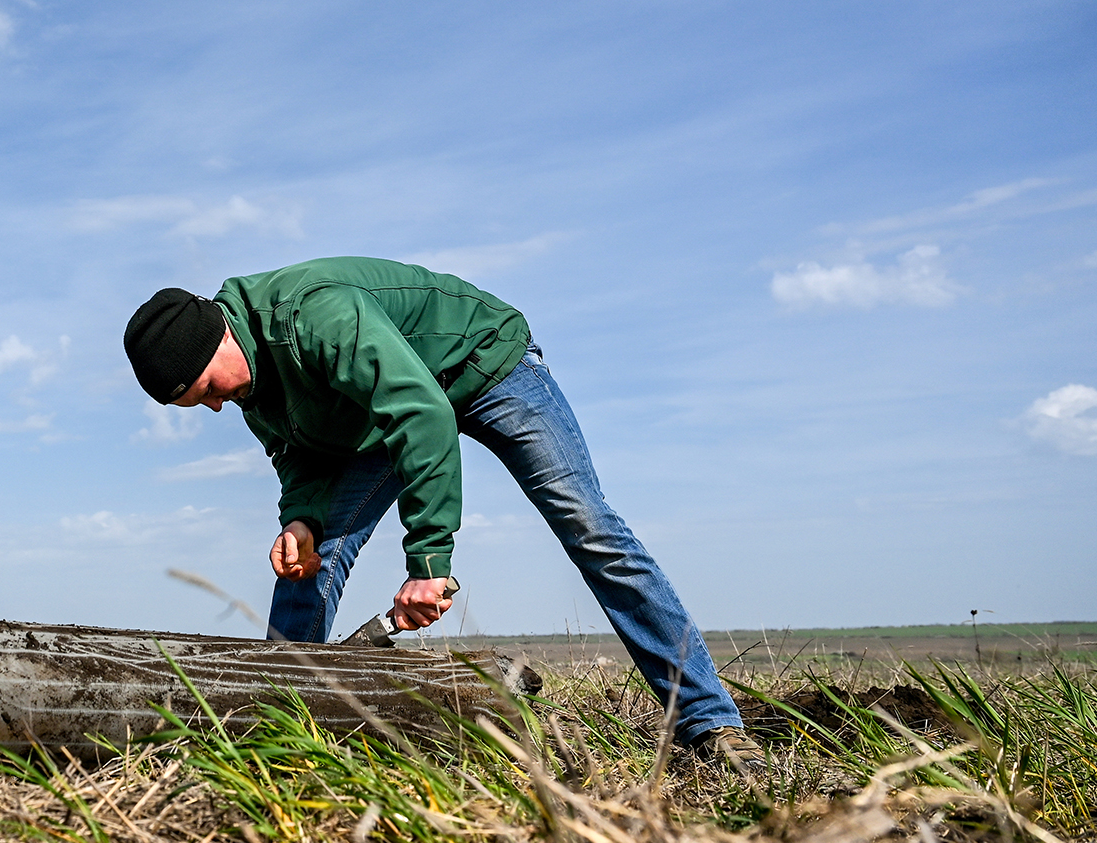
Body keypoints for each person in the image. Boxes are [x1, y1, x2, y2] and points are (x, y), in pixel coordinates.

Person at [123, 256, 763, 772]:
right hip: (385, 408)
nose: (214, 406)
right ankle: (275, 731)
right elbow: (297, 453)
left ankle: (710, 723)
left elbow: (421, 412)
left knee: (588, 526)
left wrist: (428, 562)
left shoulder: (316, 315)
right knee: (308, 562)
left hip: (482, 364)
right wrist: (303, 521)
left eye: (207, 390)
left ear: (219, 338)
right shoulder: (250, 385)